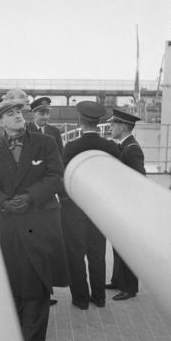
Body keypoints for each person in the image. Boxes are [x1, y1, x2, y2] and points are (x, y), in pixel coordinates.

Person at [0, 89, 67, 341]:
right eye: (10, 114)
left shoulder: (44, 143)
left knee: (36, 278)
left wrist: (31, 197)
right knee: (15, 277)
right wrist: (4, 203)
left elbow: (57, 176)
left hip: (38, 220)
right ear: (0, 123)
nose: (18, 116)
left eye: (19, 112)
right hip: (11, 223)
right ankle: (19, 329)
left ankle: (32, 339)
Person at [61, 101, 119, 310]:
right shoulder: (111, 147)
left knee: (76, 256)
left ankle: (81, 299)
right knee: (97, 254)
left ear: (80, 121)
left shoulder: (72, 147)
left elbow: (63, 178)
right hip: (100, 211)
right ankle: (100, 297)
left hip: (75, 210)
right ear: (99, 122)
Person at [105, 108, 145, 301]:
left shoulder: (132, 149)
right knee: (118, 244)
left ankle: (129, 288)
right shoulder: (123, 145)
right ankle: (118, 280)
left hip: (129, 206)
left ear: (123, 126)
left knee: (127, 247)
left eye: (113, 125)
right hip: (120, 204)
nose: (110, 127)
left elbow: (139, 181)